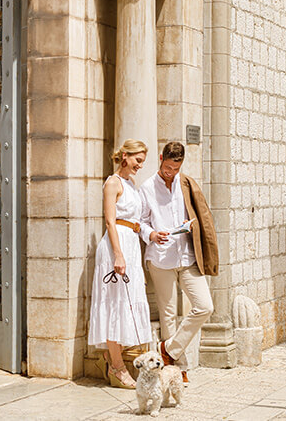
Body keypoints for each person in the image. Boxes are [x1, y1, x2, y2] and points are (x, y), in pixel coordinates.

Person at [139, 141, 219, 383]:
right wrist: (151, 234)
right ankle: (178, 369)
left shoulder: (185, 184)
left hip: (187, 255)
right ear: (161, 158)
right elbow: (141, 221)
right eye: (167, 168)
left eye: (175, 168)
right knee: (168, 314)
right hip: (161, 258)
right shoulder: (147, 187)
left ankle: (169, 350)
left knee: (205, 306)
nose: (171, 173)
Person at [88, 139, 153, 389]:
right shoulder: (112, 183)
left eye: (143, 162)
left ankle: (112, 355)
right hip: (118, 245)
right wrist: (118, 254)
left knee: (126, 302)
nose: (140, 166)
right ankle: (117, 366)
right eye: (138, 160)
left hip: (132, 243)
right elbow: (110, 221)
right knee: (115, 302)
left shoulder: (131, 183)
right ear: (125, 156)